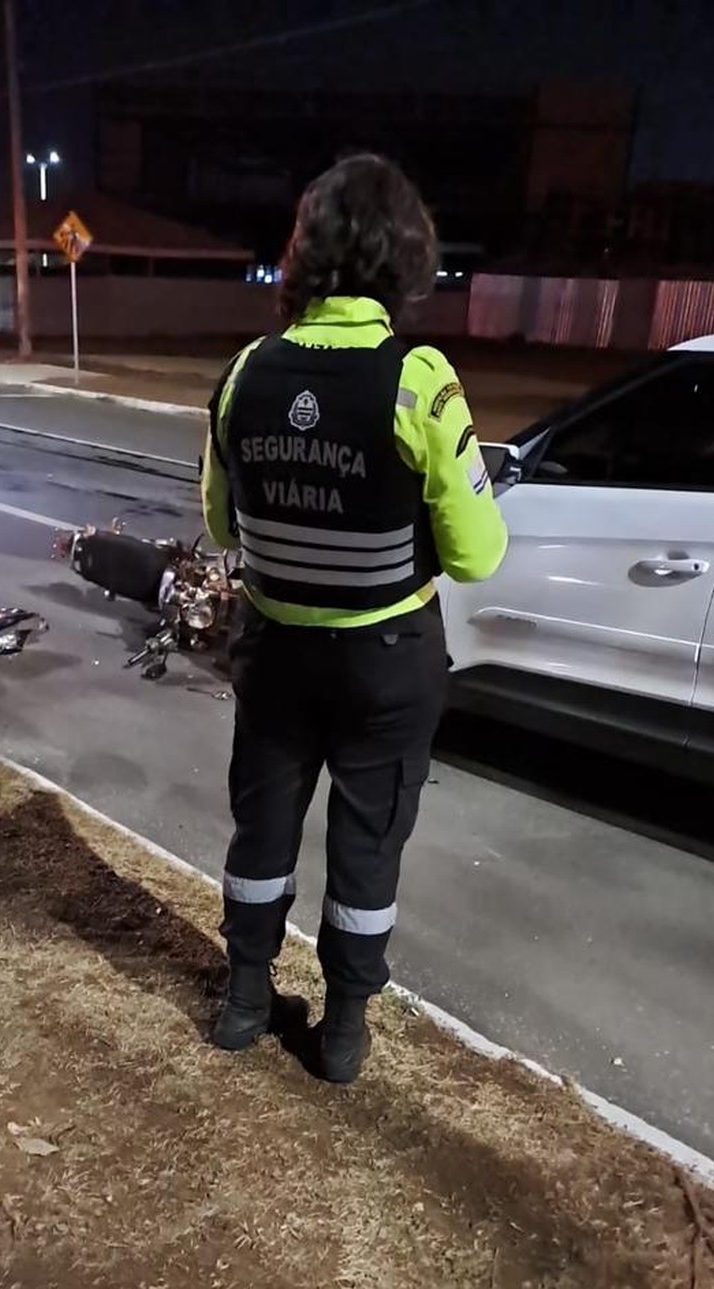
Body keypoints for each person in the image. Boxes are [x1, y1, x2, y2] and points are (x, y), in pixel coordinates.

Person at [201, 154, 508, 1084]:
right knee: (367, 841)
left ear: (307, 252)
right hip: (386, 660)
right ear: (404, 258)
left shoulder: (246, 371)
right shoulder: (421, 379)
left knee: (262, 829)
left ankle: (246, 1001)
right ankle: (341, 1033)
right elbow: (477, 554)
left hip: (276, 653)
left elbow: (221, 522)